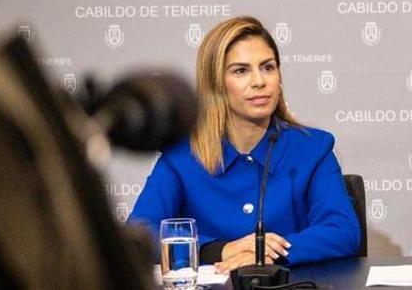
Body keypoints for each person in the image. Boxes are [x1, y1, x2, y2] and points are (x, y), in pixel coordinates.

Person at [130, 16, 360, 271]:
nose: (260, 81)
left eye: (268, 67)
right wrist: (220, 250)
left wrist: (267, 254)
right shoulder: (182, 157)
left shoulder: (312, 148)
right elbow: (139, 233)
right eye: (241, 71)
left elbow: (343, 230)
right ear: (215, 84)